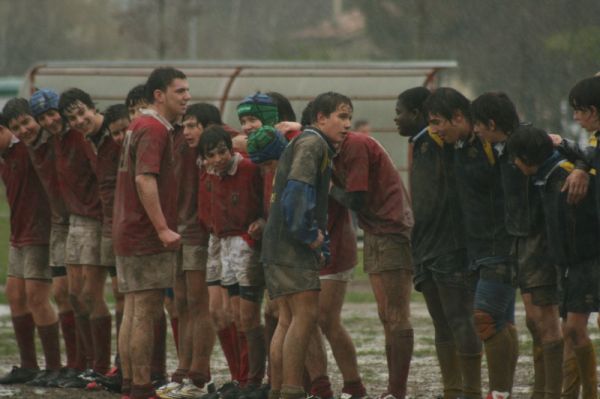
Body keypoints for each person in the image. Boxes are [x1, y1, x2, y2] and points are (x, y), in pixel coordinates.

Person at [471, 92, 566, 399]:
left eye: (478, 124)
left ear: (492, 122)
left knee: (543, 320)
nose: (476, 131)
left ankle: (550, 390)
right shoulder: (499, 150)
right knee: (532, 320)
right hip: (517, 238)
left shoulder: (529, 143)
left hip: (538, 238)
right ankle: (540, 389)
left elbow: (561, 168)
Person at [425, 88, 517, 399]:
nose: (435, 130)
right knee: (501, 320)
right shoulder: (454, 145)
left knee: (485, 318)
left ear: (459, 117)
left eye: (438, 122)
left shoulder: (491, 143)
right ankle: (497, 391)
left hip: (500, 245)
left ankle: (499, 392)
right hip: (474, 248)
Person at [261, 92, 352, 399]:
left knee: (286, 319)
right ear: (320, 118)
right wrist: (310, 235)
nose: (347, 124)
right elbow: (297, 192)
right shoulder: (313, 144)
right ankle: (291, 389)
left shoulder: (306, 142)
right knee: (304, 317)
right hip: (291, 247)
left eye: (349, 117)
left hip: (275, 245)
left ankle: (278, 390)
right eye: (341, 116)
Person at [396, 87, 481, 399]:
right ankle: (452, 388)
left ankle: (471, 389)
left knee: (460, 318)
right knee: (441, 322)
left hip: (451, 245)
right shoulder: (421, 144)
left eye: (401, 111)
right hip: (426, 245)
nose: (396, 118)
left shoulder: (441, 142)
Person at [112, 67, 189, 399]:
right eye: (180, 91)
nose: (187, 97)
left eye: (187, 91)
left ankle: (131, 383)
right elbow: (145, 179)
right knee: (145, 308)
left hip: (127, 231)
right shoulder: (154, 129)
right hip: (144, 234)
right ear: (159, 95)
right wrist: (162, 228)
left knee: (132, 308)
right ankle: (141, 386)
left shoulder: (138, 125)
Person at [508, 125, 599, 399]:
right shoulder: (546, 177)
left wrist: (574, 260)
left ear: (526, 157)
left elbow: (581, 226)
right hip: (566, 264)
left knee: (574, 329)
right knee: (570, 331)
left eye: (516, 158)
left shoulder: (566, 177)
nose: (513, 164)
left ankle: (590, 394)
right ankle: (569, 394)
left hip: (581, 262)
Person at [197, 125, 265, 398]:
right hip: (224, 245)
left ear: (231, 148)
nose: (218, 159)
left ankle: (255, 379)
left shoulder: (248, 169)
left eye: (222, 152)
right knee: (234, 315)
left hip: (246, 245)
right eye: (211, 155)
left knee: (248, 316)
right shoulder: (210, 176)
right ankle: (242, 378)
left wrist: (261, 222)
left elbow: (263, 202)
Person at [156, 103, 217, 399]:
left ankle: (198, 375)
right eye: (186, 125)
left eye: (195, 126)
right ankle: (182, 371)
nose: (188, 131)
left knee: (197, 302)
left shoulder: (212, 152)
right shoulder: (174, 142)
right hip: (176, 230)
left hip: (198, 235)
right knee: (179, 303)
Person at [0, 104, 60, 386]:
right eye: (17, 126)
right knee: (15, 295)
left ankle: (53, 367)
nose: (22, 131)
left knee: (38, 297)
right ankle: (27, 365)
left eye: (25, 124)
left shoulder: (31, 147)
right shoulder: (7, 153)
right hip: (18, 233)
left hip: (40, 232)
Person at [58, 88, 114, 380]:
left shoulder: (104, 136)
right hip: (77, 220)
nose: (79, 120)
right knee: (74, 294)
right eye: (72, 118)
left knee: (92, 294)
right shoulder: (79, 139)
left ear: (93, 107)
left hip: (98, 220)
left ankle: (101, 366)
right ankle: (88, 361)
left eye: (82, 112)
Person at [26, 89, 79, 385]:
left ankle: (84, 363)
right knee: (61, 292)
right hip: (60, 225)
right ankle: (69, 364)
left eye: (52, 113)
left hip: (83, 221)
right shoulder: (43, 143)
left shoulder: (76, 136)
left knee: (80, 294)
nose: (49, 120)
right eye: (43, 116)